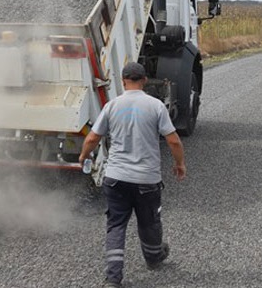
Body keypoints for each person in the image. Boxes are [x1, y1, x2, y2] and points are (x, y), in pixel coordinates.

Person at [79, 62, 186, 288]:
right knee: (149, 222)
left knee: (116, 225)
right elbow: (173, 140)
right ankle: (154, 257)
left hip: (116, 177)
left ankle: (113, 279)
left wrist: (83, 156)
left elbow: (92, 138)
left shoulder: (112, 106)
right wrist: (179, 164)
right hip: (147, 180)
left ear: (123, 81)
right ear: (144, 80)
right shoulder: (156, 106)